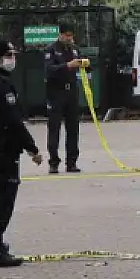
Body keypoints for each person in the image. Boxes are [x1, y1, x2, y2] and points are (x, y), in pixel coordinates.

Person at [0, 40, 43, 268]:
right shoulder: (2, 86)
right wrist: (32, 148)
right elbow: (14, 122)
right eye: (9, 54)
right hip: (3, 149)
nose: (12, 58)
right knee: (3, 199)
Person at [43, 22, 85, 174]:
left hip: (72, 92)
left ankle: (72, 162)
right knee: (54, 128)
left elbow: (81, 64)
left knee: (73, 128)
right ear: (60, 35)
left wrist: (84, 63)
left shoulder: (74, 50)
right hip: (56, 93)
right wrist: (67, 65)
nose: (69, 38)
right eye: (66, 35)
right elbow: (49, 70)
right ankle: (54, 162)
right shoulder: (51, 50)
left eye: (71, 35)